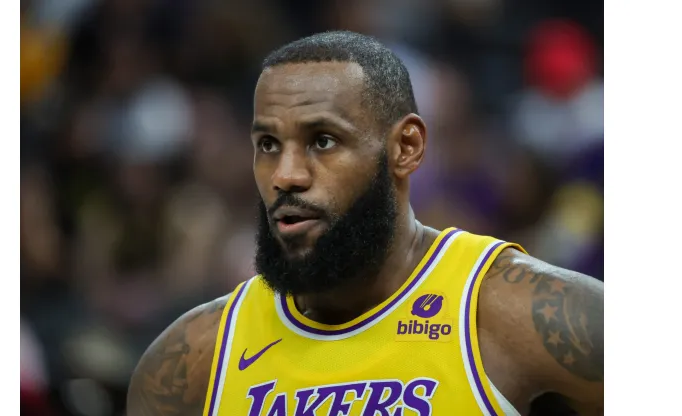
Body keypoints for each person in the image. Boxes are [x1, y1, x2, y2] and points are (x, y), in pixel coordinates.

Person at [126, 31, 603, 416]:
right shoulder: (191, 364)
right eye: (268, 144)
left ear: (406, 147)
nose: (286, 175)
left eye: (323, 140)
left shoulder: (524, 316)